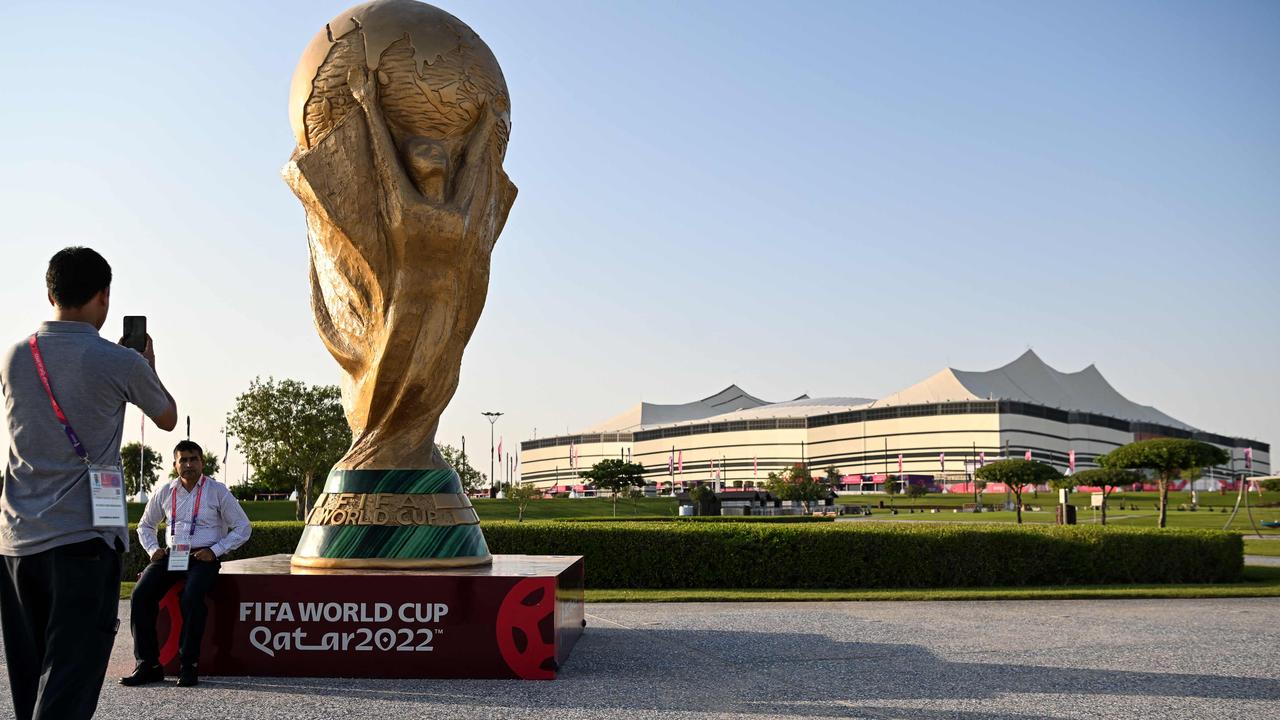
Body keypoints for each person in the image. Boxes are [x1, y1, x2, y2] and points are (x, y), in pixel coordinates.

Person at [0, 247, 178, 720]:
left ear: (50, 292)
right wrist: (145, 364)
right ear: (104, 296)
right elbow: (166, 417)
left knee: (29, 678)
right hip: (83, 539)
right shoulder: (118, 361)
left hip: (17, 542)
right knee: (69, 683)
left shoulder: (15, 356)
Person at [123, 440, 250, 687]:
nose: (189, 464)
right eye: (184, 460)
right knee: (140, 595)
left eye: (194, 459)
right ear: (175, 464)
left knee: (191, 598)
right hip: (172, 555)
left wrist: (215, 551)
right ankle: (148, 665)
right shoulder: (165, 491)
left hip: (203, 557)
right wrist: (152, 549)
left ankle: (188, 664)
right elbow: (145, 525)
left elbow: (243, 527)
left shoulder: (217, 491)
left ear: (202, 463)